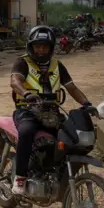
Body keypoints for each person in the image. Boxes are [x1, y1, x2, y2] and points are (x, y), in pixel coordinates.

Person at [9, 26, 92, 195]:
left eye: (44, 46)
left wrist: (87, 103)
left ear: (51, 48)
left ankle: (54, 174)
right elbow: (14, 81)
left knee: (70, 137)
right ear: (31, 47)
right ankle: (20, 177)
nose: (40, 50)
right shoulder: (23, 62)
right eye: (37, 46)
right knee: (26, 132)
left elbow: (72, 88)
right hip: (27, 111)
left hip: (52, 113)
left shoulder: (57, 65)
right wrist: (26, 94)